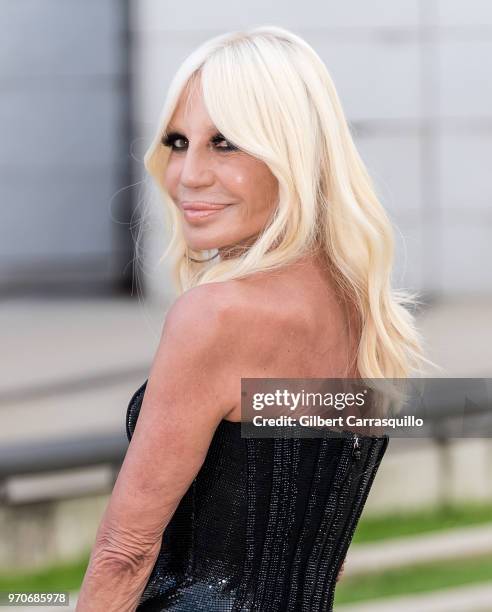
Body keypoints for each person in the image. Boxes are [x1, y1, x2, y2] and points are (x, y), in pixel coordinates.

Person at [76, 25, 435, 611]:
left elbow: (125, 552)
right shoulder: (362, 314)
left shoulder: (217, 316)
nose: (188, 174)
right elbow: (322, 556)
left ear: (291, 154)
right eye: (177, 141)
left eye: (226, 143)